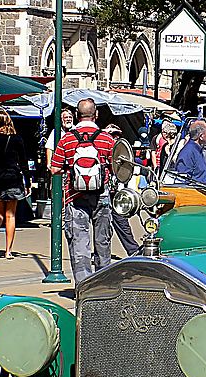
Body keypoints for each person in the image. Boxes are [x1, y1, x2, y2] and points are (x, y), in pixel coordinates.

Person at [50, 97, 116, 285]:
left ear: (77, 116)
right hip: (101, 196)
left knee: (79, 244)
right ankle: (103, 286)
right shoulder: (106, 139)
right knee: (102, 242)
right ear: (96, 115)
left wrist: (70, 169)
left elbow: (54, 168)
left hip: (75, 196)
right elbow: (116, 166)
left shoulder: (67, 139)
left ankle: (83, 287)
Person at [0, 111, 30, 259]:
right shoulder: (17, 139)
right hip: (13, 179)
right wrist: (27, 180)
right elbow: (23, 162)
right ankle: (8, 251)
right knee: (10, 215)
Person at [103, 123, 140, 257]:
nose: (114, 138)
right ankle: (102, 253)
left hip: (117, 192)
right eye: (111, 135)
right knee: (103, 224)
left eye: (116, 135)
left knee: (121, 220)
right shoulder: (102, 149)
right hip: (102, 191)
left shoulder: (122, 152)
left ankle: (132, 249)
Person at [175, 120, 206, 185]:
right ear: (201, 136)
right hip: (195, 193)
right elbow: (182, 182)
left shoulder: (198, 150)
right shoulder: (187, 153)